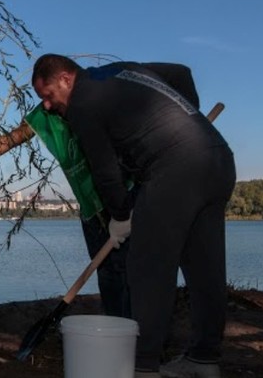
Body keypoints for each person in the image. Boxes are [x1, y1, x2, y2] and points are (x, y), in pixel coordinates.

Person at [30, 54, 235, 378]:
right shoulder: (122, 71)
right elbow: (181, 73)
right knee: (204, 267)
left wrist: (120, 215)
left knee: (147, 268)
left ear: (66, 79)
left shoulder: (82, 103)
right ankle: (204, 359)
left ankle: (142, 366)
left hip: (175, 170)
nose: (47, 106)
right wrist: (190, 122)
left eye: (48, 95)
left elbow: (105, 172)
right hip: (217, 158)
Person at [0, 101, 132, 319]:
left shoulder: (91, 100)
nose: (45, 101)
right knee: (108, 274)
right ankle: (118, 330)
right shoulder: (43, 114)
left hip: (122, 199)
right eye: (41, 95)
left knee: (132, 272)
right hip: (90, 209)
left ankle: (143, 335)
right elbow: (7, 141)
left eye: (48, 92)